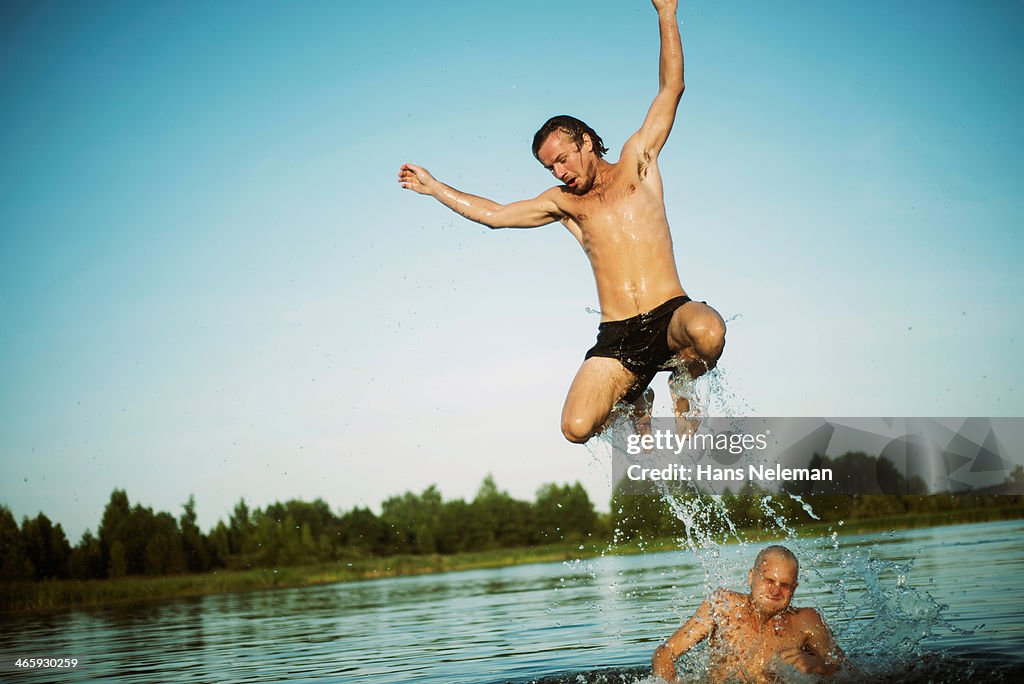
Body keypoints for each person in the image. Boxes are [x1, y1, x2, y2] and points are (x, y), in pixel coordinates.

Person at [398, 0, 725, 444]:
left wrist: (666, 12)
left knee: (708, 331)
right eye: (549, 168)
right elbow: (495, 215)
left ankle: (680, 379)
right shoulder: (563, 203)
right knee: (575, 429)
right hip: (618, 337)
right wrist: (436, 188)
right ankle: (633, 398)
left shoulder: (637, 163)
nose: (559, 172)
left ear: (586, 142)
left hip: (670, 316)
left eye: (562, 159)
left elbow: (672, 89)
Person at [651, 545, 846, 682]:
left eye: (785, 585)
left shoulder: (806, 622)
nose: (775, 590)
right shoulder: (723, 606)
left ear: (794, 588)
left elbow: (851, 674)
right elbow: (664, 654)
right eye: (769, 580)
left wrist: (821, 668)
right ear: (751, 577)